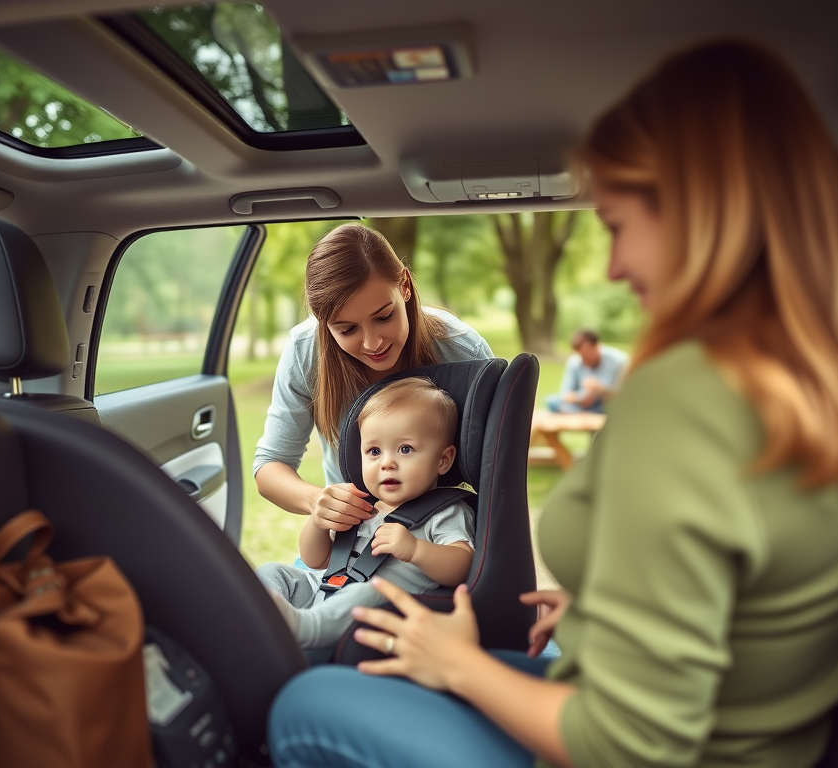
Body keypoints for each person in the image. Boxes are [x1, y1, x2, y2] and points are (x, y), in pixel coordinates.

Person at [266, 39, 838, 768]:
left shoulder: (696, 401)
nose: (612, 265)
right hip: (721, 727)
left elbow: (634, 743)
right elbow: (756, 603)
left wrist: (460, 665)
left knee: (303, 707)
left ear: (703, 213)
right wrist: (604, 619)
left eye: (618, 225)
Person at [252, 224, 493, 539]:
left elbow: (498, 464)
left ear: (404, 285)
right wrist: (315, 501)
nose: (372, 343)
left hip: (442, 537)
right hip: (355, 538)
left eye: (383, 317)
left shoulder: (462, 350)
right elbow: (271, 466)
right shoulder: (305, 351)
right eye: (347, 329)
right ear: (323, 321)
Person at [256, 377, 475, 650]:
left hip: (377, 611)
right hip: (323, 591)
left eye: (405, 449)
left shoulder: (445, 512)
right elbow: (315, 560)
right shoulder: (361, 506)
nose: (387, 463)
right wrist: (318, 522)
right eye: (374, 451)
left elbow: (463, 565)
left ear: (443, 460)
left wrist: (415, 549)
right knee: (274, 572)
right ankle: (258, 615)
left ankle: (306, 631)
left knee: (369, 593)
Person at [545, 328, 628, 414]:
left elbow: (622, 395)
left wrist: (600, 389)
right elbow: (565, 393)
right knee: (552, 401)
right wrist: (578, 399)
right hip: (579, 404)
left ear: (598, 346)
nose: (585, 360)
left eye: (587, 354)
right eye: (582, 356)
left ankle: (580, 414)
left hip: (606, 403)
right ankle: (585, 414)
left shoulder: (618, 361)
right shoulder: (575, 362)